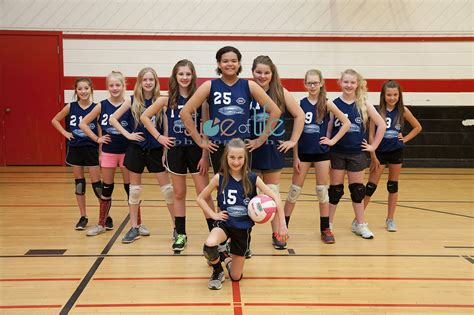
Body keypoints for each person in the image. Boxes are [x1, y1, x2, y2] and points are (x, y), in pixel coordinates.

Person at [141, 59, 215, 251]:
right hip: (176, 150)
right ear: (175, 76)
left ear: (193, 77)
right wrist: (159, 138)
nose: (184, 77)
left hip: (196, 150)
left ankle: (215, 232)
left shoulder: (200, 100)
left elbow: (206, 128)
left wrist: (205, 155)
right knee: (179, 193)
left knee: (204, 193)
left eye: (188, 74)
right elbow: (144, 117)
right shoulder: (166, 100)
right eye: (180, 74)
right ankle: (180, 233)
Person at [197, 138, 288, 290]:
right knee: (209, 245)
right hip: (225, 223)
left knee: (235, 277)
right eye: (232, 157)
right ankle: (217, 271)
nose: (236, 161)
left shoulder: (252, 178)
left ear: (245, 158)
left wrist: (282, 226)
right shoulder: (219, 178)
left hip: (242, 228)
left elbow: (276, 197)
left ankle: (224, 256)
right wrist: (213, 214)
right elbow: (200, 198)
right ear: (226, 157)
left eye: (240, 157)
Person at [180, 46, 281, 174]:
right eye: (225, 61)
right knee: (222, 187)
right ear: (219, 64)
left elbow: (275, 111)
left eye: (234, 61)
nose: (230, 64)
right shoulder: (209, 86)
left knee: (243, 187)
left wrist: (260, 140)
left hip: (242, 146)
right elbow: (184, 113)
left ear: (239, 64)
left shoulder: (249, 86)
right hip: (218, 146)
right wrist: (200, 141)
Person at [283, 69, 350, 244]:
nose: (312, 86)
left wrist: (332, 141)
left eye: (315, 83)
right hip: (303, 154)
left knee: (322, 192)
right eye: (309, 83)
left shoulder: (327, 104)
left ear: (321, 84)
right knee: (293, 192)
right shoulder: (301, 104)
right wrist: (295, 157)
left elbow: (346, 123)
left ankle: (325, 228)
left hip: (322, 154)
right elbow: (296, 134)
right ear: (305, 84)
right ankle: (282, 228)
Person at [109, 67, 175, 243]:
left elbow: (167, 126)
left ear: (155, 82)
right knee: (135, 191)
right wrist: (128, 134)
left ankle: (178, 228)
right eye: (144, 80)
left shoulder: (162, 101)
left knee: (168, 191)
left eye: (151, 80)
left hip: (155, 149)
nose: (147, 83)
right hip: (136, 149)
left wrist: (165, 149)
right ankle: (134, 227)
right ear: (140, 82)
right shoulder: (132, 101)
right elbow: (112, 119)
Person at [249, 55, 305, 249]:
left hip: (272, 148)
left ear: (272, 74)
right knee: (248, 193)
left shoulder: (281, 92)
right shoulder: (247, 91)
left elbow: (300, 115)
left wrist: (293, 140)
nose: (262, 76)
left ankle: (277, 230)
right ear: (252, 72)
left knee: (272, 192)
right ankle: (244, 235)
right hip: (250, 148)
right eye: (258, 72)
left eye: (266, 73)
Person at [328, 69, 386, 239]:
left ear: (358, 84)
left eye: (352, 82)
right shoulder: (334, 103)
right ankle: (328, 224)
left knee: (358, 190)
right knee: (335, 190)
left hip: (357, 154)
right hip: (337, 152)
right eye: (346, 82)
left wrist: (373, 146)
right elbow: (330, 128)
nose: (349, 85)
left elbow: (381, 125)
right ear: (340, 83)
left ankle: (360, 224)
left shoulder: (363, 104)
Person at [364, 80, 422, 232]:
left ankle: (390, 219)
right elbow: (371, 136)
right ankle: (359, 218)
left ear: (399, 95)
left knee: (392, 185)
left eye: (395, 94)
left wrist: (405, 139)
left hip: (396, 151)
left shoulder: (403, 110)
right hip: (380, 153)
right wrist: (373, 156)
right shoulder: (376, 112)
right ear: (383, 96)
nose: (392, 97)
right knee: (370, 187)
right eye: (389, 95)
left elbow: (417, 127)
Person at [79, 71, 132, 236]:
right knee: (107, 187)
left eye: (118, 85)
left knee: (131, 188)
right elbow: (83, 123)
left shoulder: (129, 103)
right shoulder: (102, 105)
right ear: (107, 87)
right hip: (109, 152)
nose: (114, 88)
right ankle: (101, 223)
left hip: (127, 151)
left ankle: (137, 224)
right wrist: (97, 138)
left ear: (124, 86)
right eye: (111, 85)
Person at [51, 78, 102, 230]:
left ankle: (104, 215)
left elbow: (99, 128)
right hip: (75, 148)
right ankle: (83, 216)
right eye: (80, 89)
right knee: (79, 184)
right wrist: (65, 133)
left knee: (97, 185)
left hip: (91, 148)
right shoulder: (71, 107)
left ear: (91, 90)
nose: (83, 91)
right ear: (76, 91)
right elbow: (54, 120)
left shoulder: (96, 107)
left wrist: (100, 149)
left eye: (86, 88)